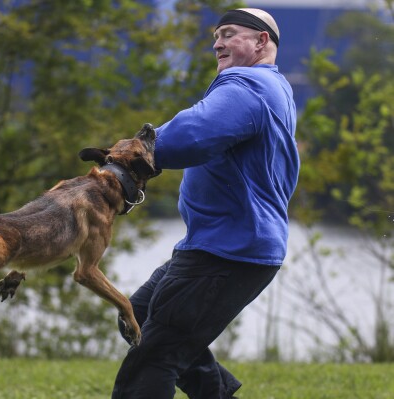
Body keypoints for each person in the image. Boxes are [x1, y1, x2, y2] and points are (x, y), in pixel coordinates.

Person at [112, 8, 299, 399]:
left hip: (228, 251)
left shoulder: (247, 87)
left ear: (261, 41)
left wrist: (127, 157)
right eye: (216, 35)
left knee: (154, 357)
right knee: (140, 315)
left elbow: (190, 136)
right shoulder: (272, 87)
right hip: (222, 244)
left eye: (228, 34)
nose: (217, 43)